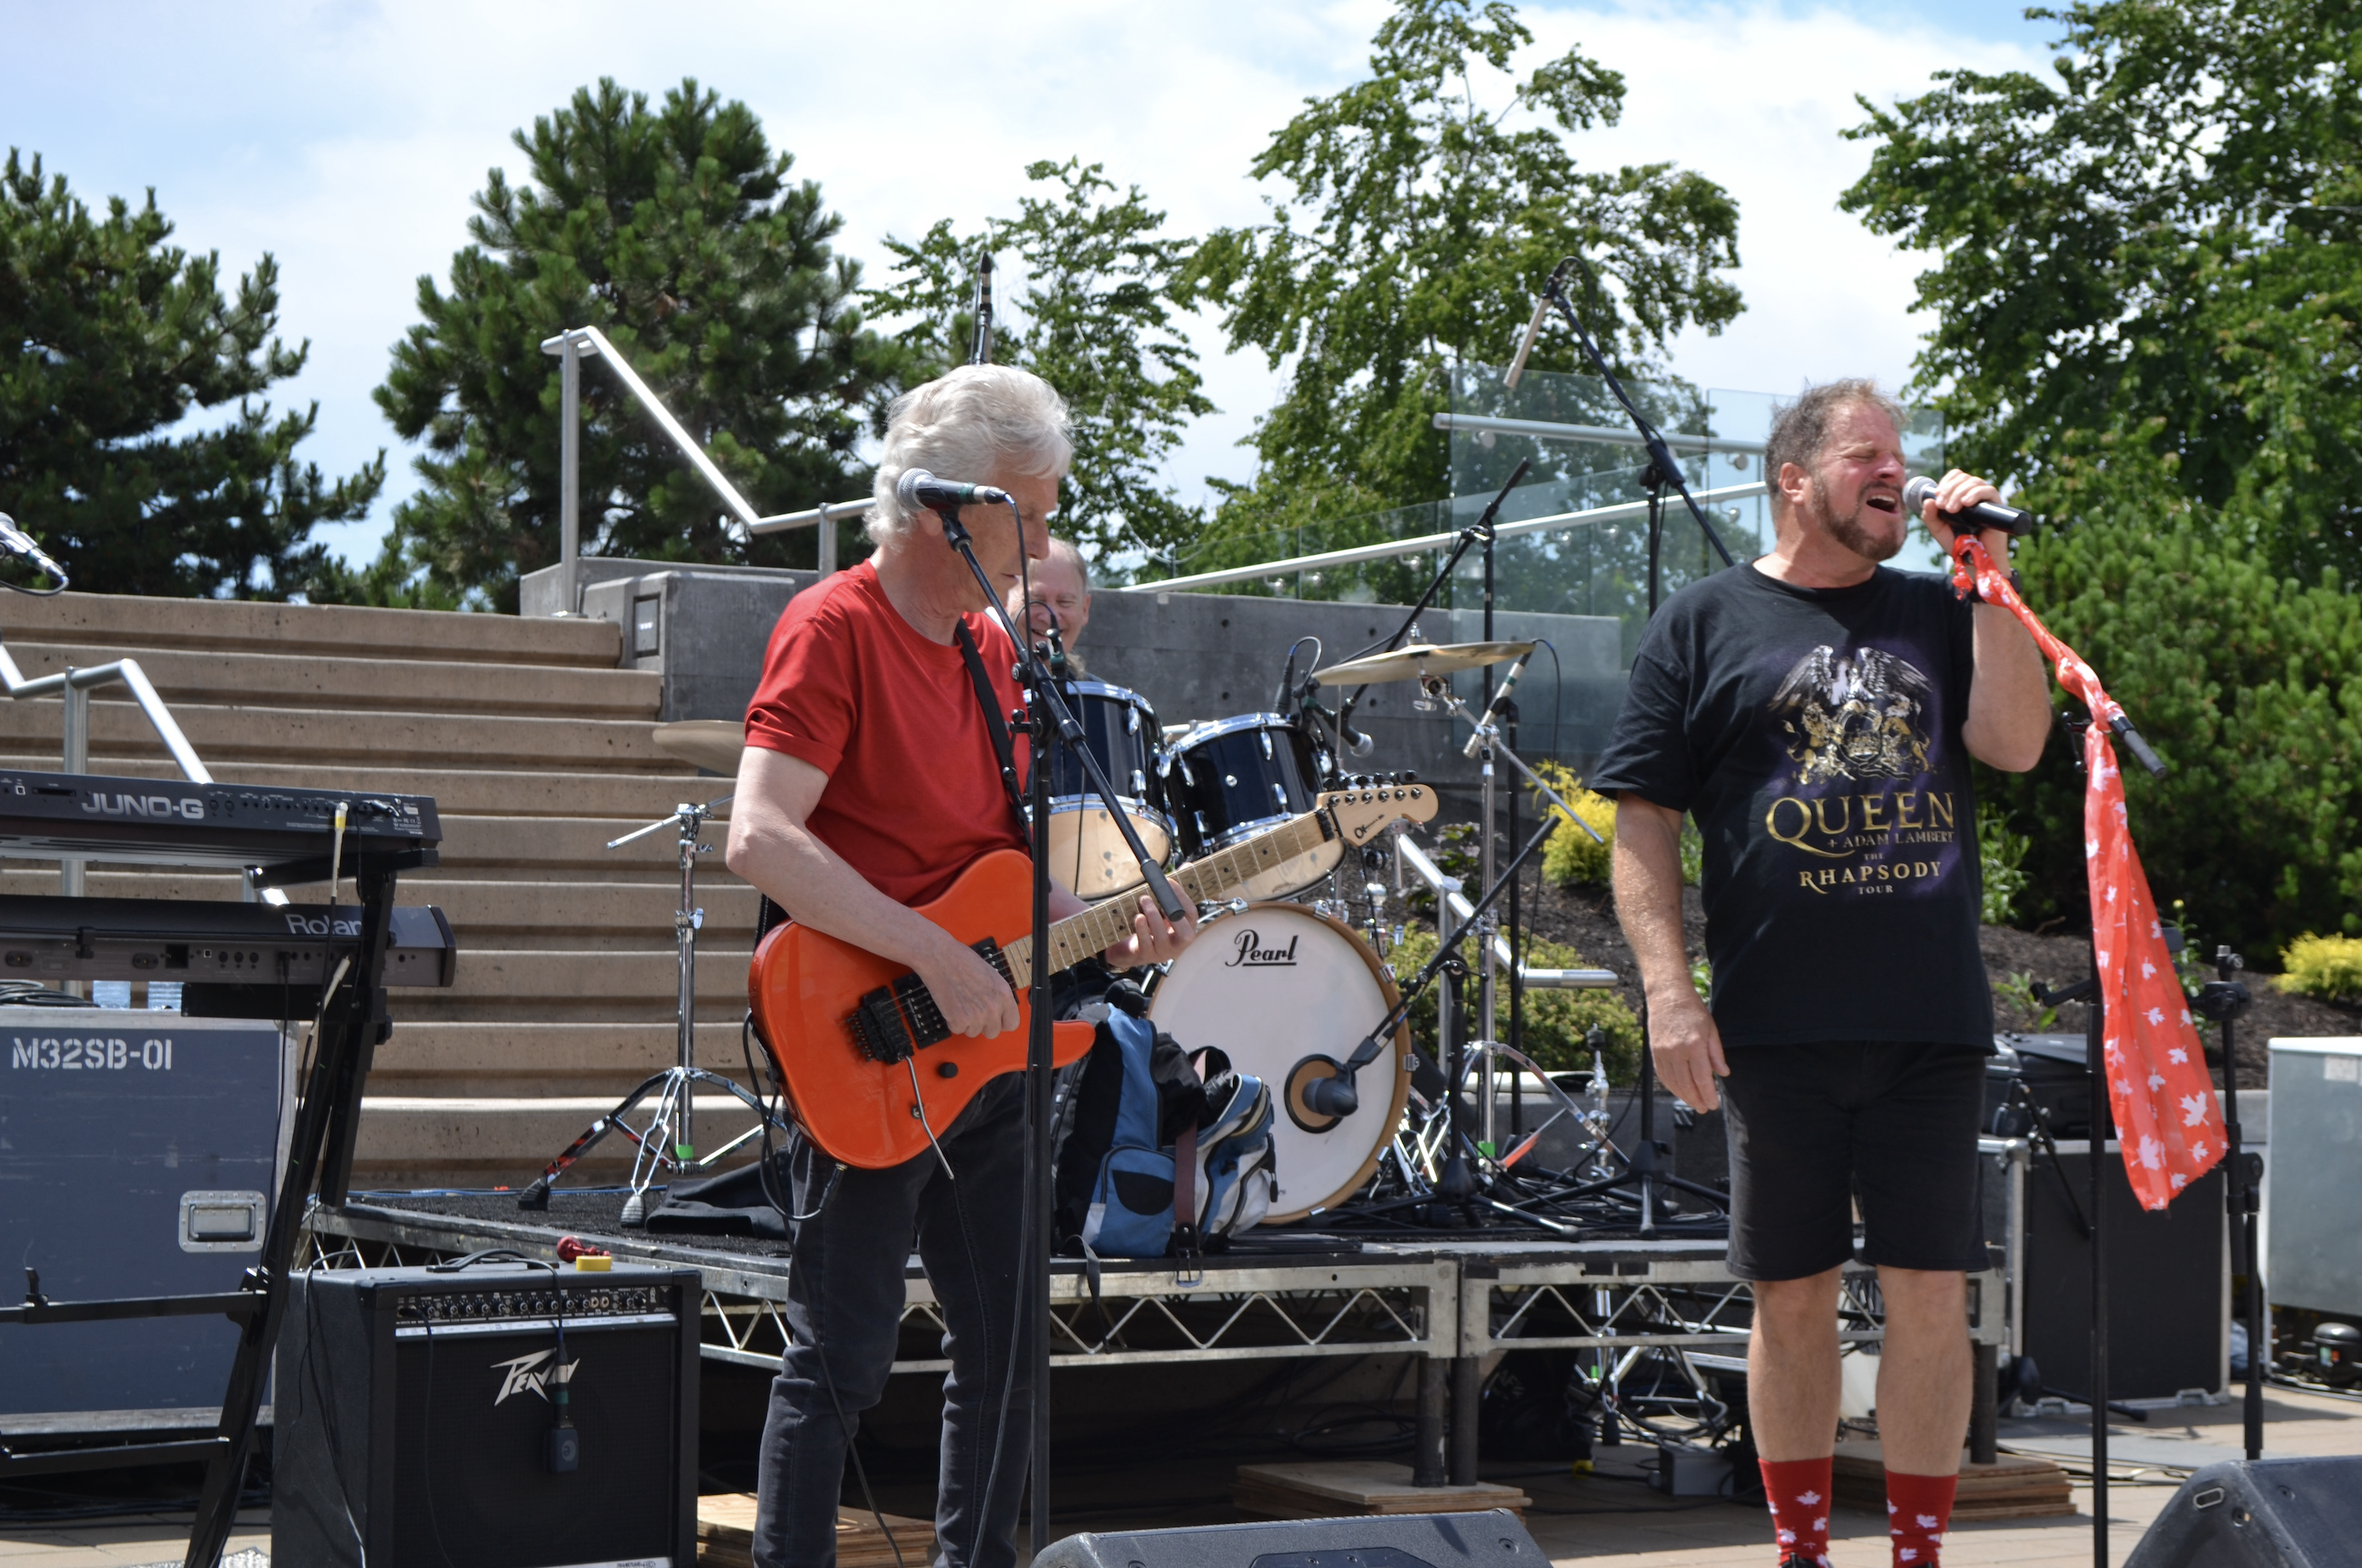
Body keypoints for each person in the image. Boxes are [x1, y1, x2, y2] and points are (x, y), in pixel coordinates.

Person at [724, 365, 1197, 1568]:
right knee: (842, 1352)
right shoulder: (832, 627)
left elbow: (998, 862)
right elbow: (759, 835)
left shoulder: (993, 655)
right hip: (868, 1033)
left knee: (1004, 1353)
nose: (1043, 540)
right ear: (953, 510)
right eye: (1028, 514)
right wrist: (934, 949)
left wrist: (1105, 918)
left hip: (996, 1042)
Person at [1589, 380, 2050, 1568]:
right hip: (1774, 1025)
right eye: (1866, 457)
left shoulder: (1943, 608)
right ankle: (1800, 1549)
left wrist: (1991, 574)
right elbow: (1641, 825)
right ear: (1794, 478)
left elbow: (2014, 743)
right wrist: (1668, 992)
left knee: (1930, 1293)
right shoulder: (1703, 623)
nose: (1895, 474)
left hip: (1928, 1019)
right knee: (1790, 1293)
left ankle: (1917, 1551)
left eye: (1901, 456)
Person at [1005, 533, 1093, 673]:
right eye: (1035, 601)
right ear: (1004, 599)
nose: (1049, 616)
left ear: (1085, 609)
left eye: (1064, 602)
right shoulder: (969, 687)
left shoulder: (1092, 693)